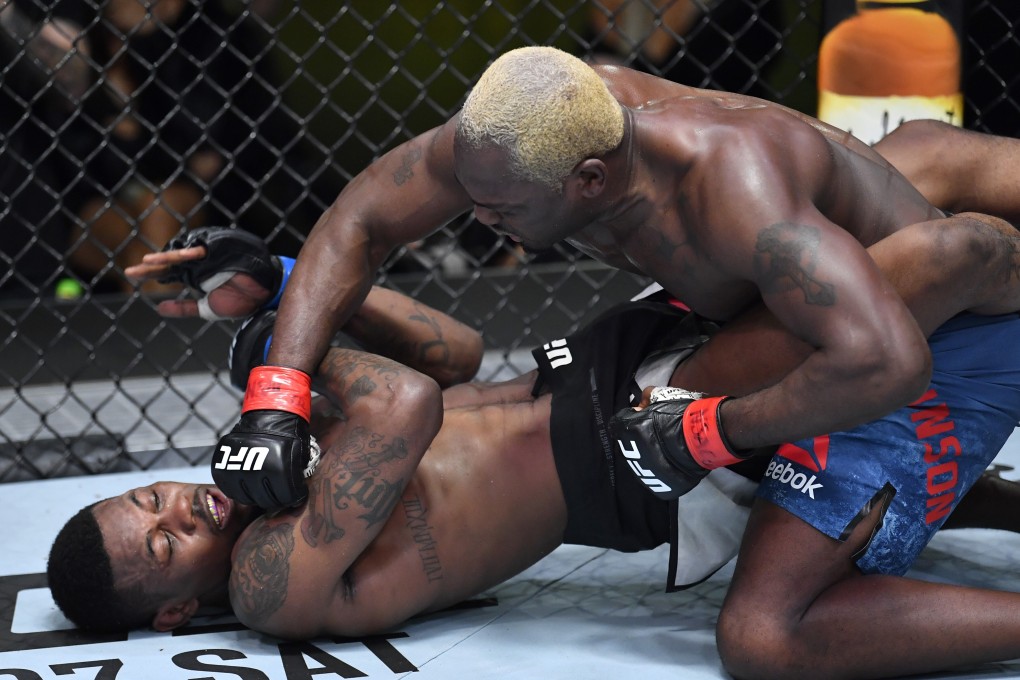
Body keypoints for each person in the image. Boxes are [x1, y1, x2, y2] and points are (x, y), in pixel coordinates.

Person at [49, 224, 1020, 675]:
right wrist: (279, 365)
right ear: (175, 606)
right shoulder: (272, 581)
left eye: (153, 499)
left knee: (910, 238)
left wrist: (286, 284)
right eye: (166, 543)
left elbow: (453, 353)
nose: (180, 511)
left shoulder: (276, 447)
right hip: (632, 444)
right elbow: (407, 402)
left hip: (601, 362)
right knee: (939, 264)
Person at [221, 46, 1020, 518]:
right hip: (783, 288)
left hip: (930, 335)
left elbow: (886, 360)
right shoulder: (526, 130)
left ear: (590, 182)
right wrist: (277, 397)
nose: (478, 222)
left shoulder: (733, 196)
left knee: (760, 617)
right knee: (558, 397)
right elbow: (362, 218)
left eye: (499, 210)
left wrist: (714, 431)